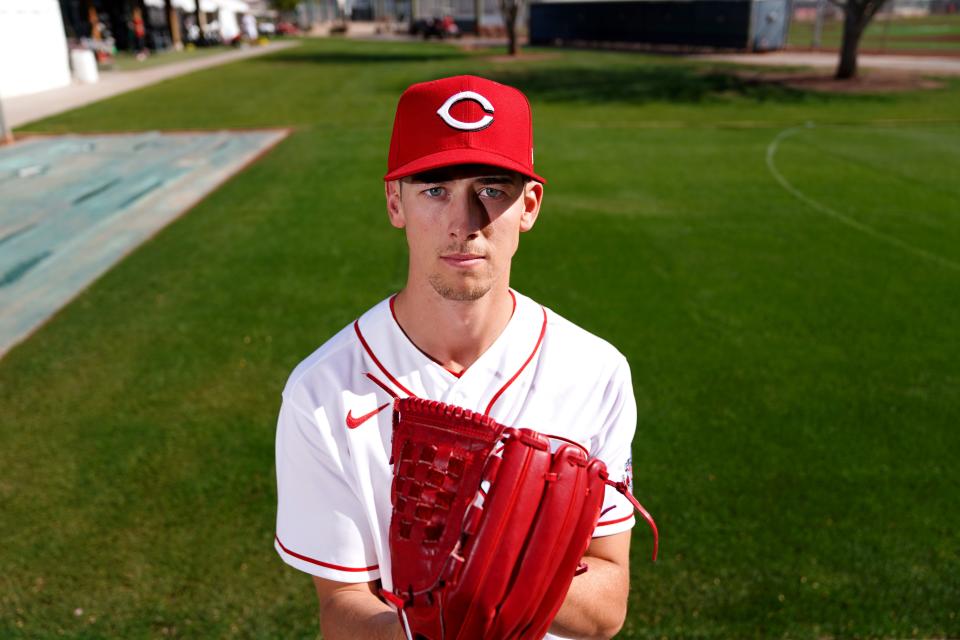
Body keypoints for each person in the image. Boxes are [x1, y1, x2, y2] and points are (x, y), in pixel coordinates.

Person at [275, 75, 642, 640]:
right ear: (394, 202)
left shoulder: (596, 371)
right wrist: (436, 618)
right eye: (435, 190)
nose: (463, 223)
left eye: (491, 190)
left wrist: (497, 562)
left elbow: (607, 604)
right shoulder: (323, 392)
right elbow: (341, 606)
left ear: (530, 206)